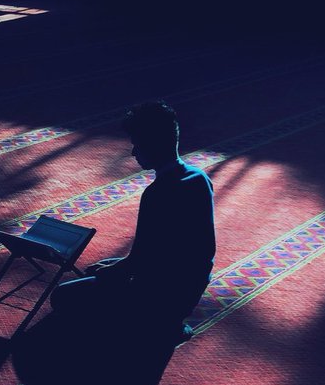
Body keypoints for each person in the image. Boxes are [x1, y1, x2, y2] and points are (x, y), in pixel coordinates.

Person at [49, 99, 216, 341]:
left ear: (153, 145)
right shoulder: (199, 178)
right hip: (189, 288)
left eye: (137, 145)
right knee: (102, 271)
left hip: (159, 296)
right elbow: (165, 252)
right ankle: (165, 323)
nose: (134, 153)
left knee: (63, 295)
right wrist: (115, 265)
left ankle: (148, 326)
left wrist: (110, 271)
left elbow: (139, 261)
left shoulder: (158, 193)